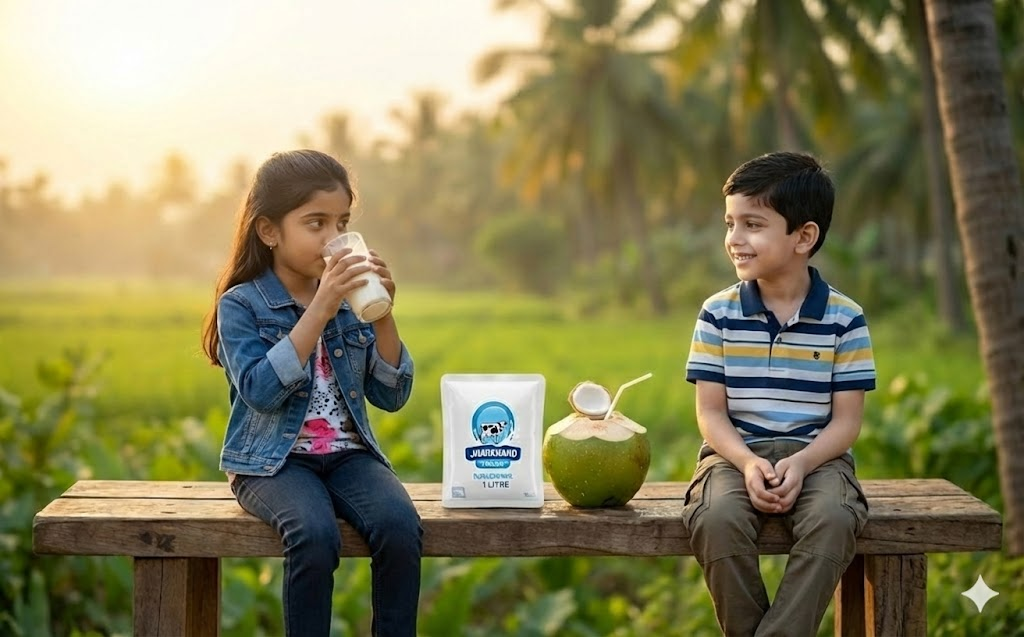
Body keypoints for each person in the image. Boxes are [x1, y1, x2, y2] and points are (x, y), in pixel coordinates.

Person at [201, 149, 422, 637]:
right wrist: (319, 308)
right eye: (315, 223)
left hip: (347, 456)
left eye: (341, 223)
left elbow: (390, 395)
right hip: (273, 463)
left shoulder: (348, 301)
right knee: (315, 536)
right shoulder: (240, 305)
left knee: (401, 528)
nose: (332, 238)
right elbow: (259, 390)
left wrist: (382, 312)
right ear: (269, 231)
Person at [682, 151, 874, 637]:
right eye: (730, 223)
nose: (735, 239)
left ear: (803, 237)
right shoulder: (717, 313)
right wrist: (747, 462)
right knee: (716, 517)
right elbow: (710, 412)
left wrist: (804, 463)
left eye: (753, 224)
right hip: (731, 454)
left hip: (820, 459)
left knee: (834, 518)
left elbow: (847, 423)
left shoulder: (844, 319)